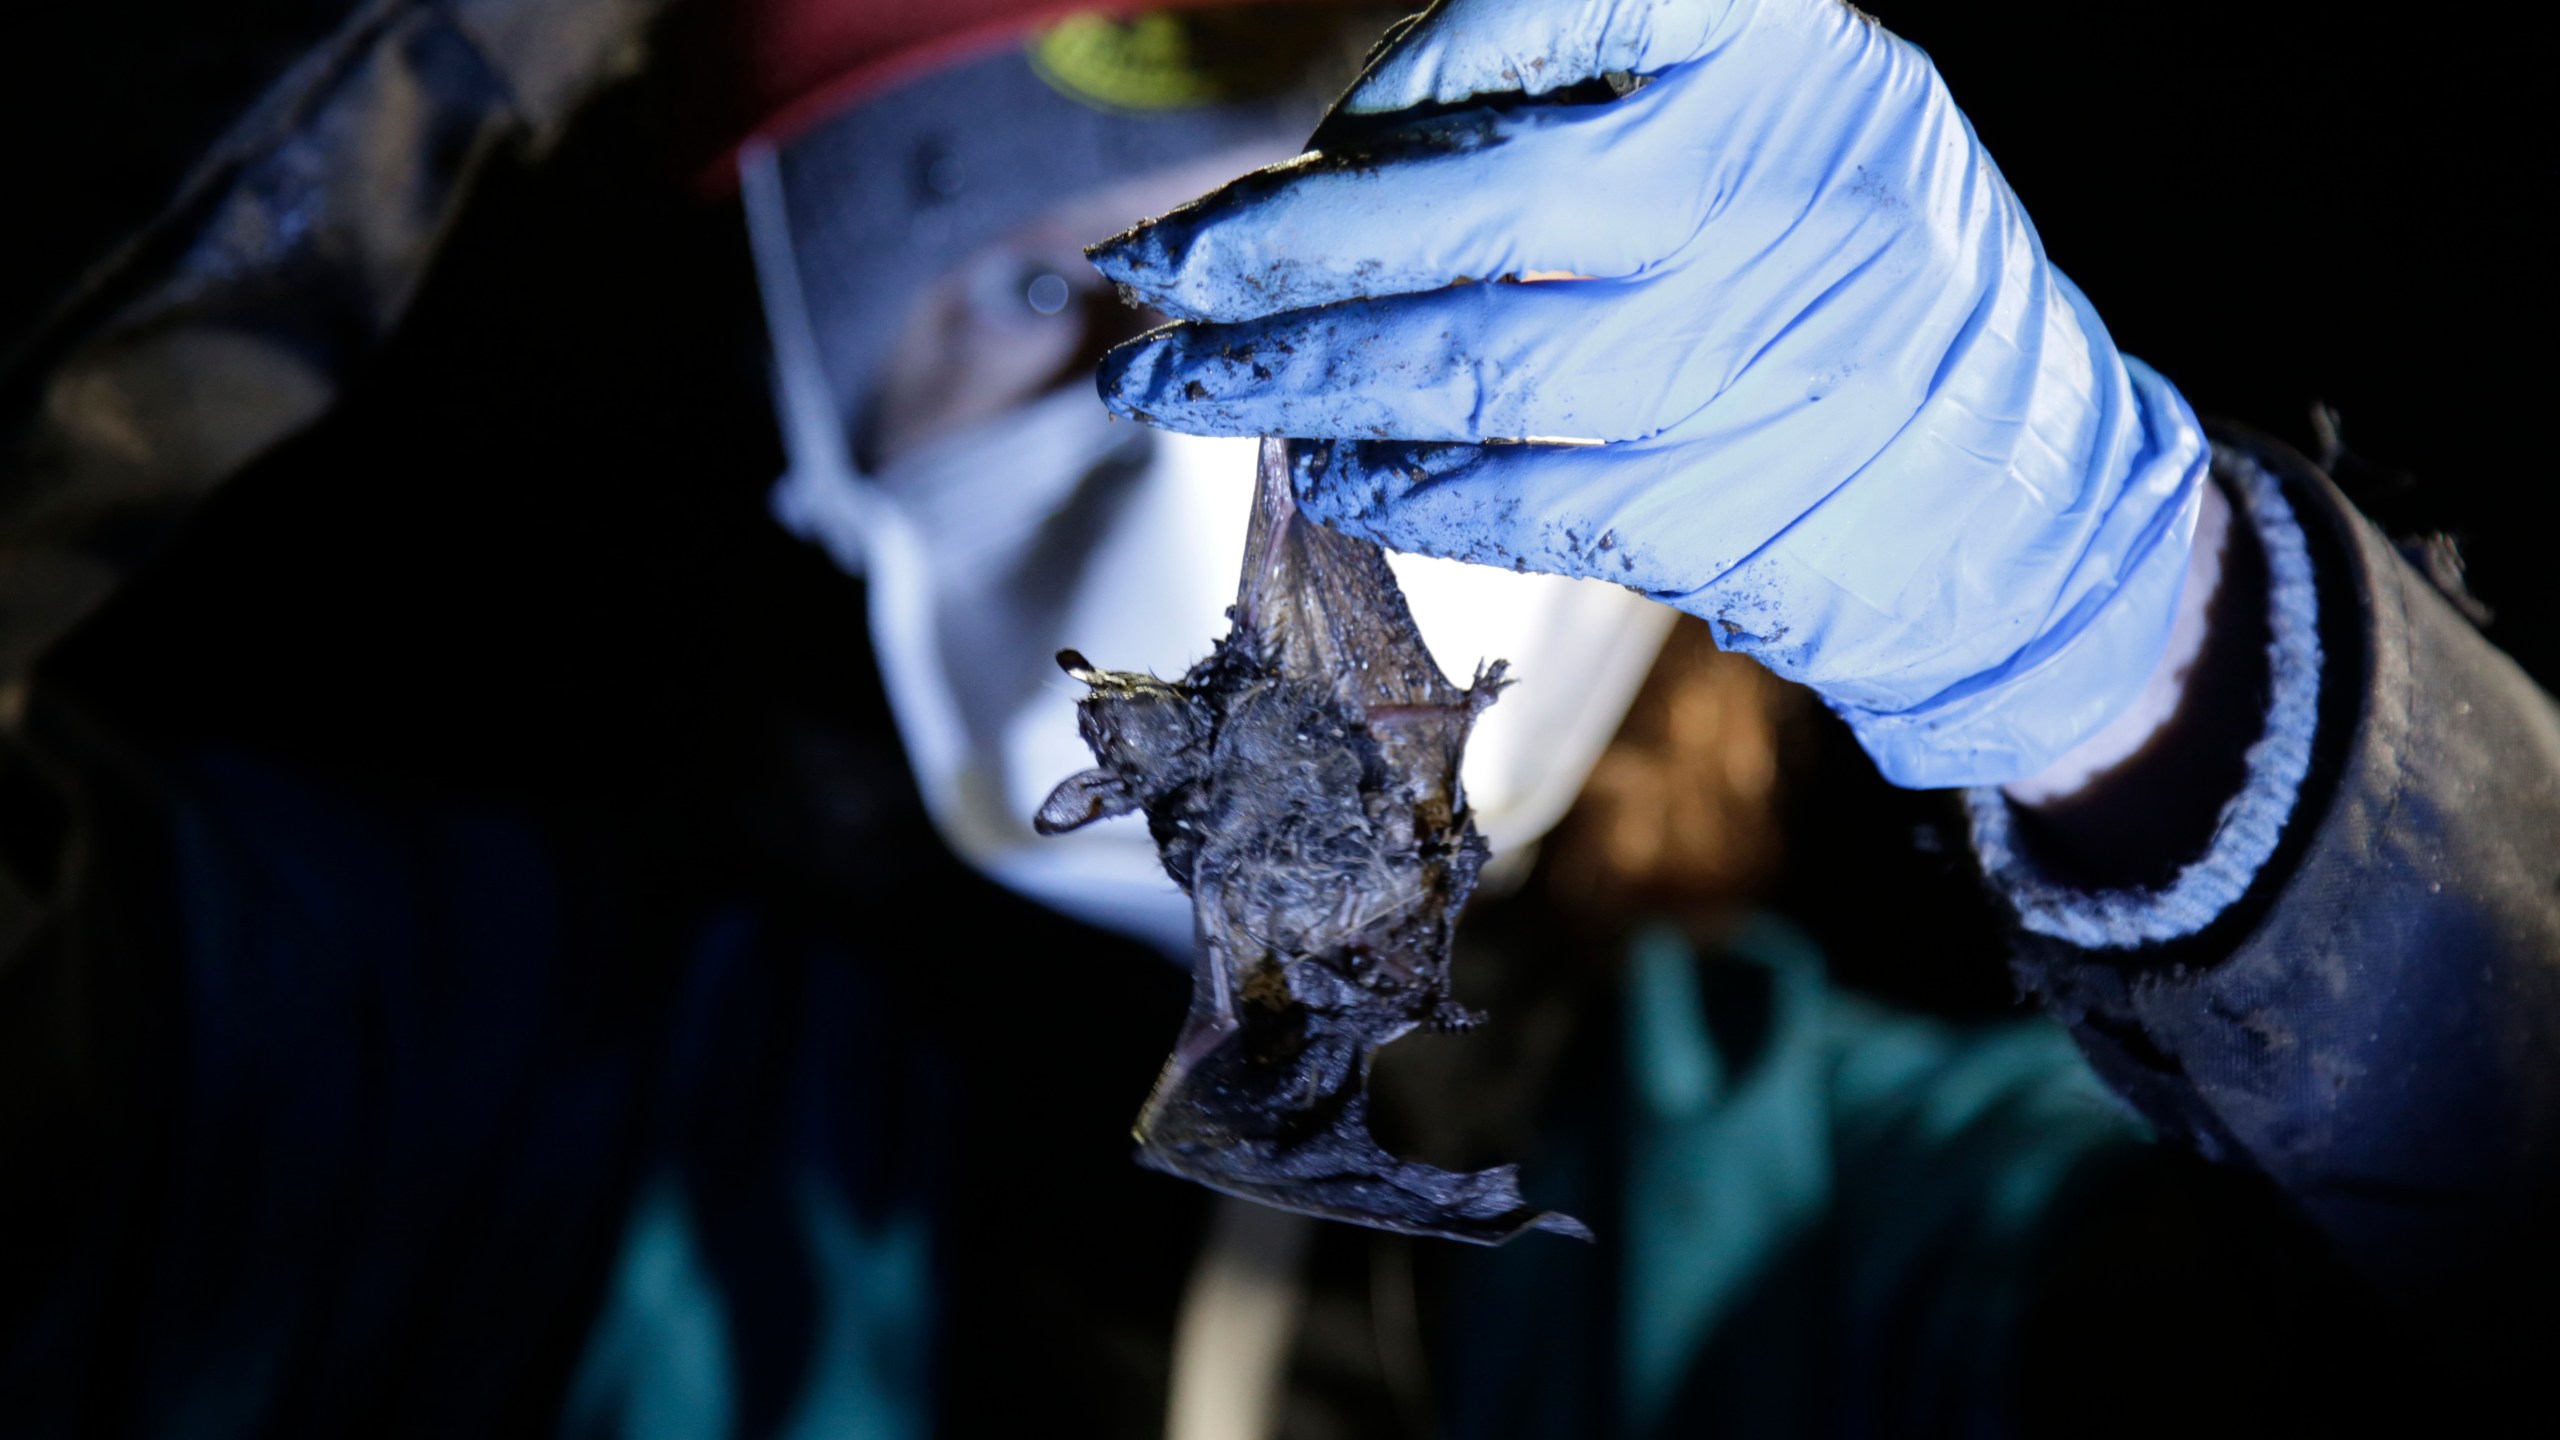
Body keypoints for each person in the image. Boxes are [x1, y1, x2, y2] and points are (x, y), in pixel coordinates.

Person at [0, 1, 2551, 1436]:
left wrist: (2144, 654)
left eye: (1373, 326)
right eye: (1060, 296)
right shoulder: (383, 1098)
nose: (1218, 472)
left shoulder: (1852, 1253)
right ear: (805, 390)